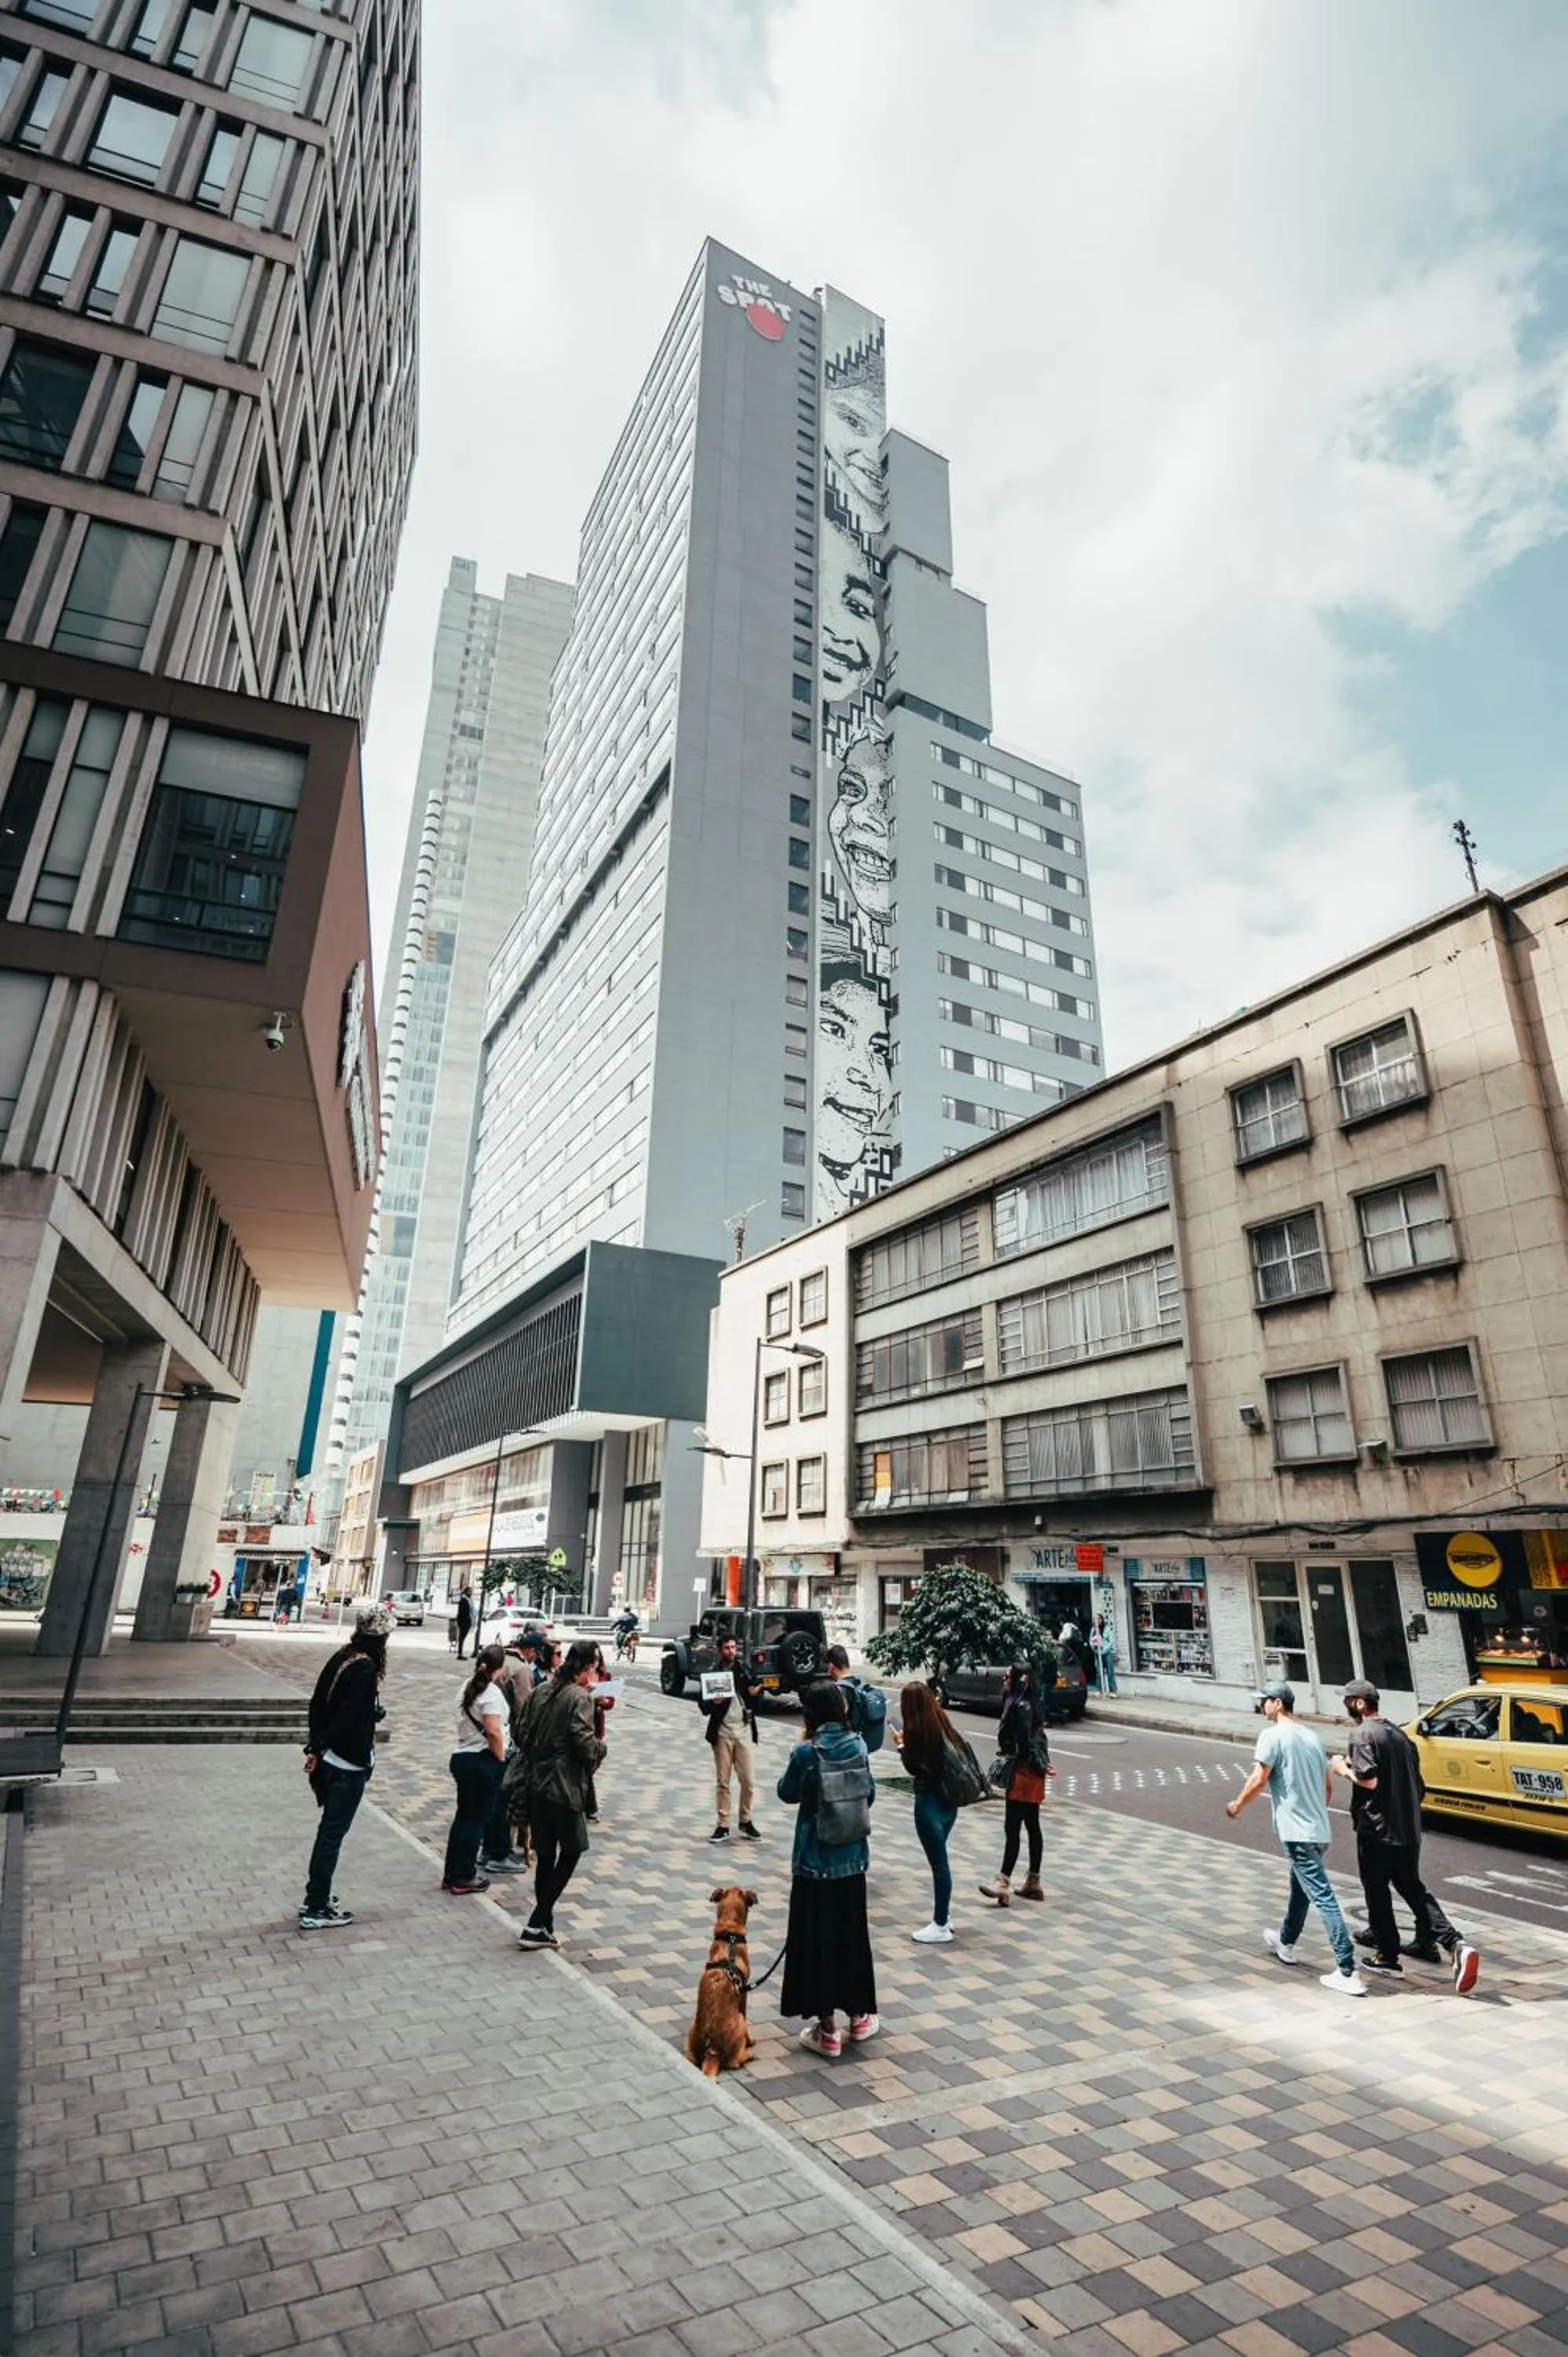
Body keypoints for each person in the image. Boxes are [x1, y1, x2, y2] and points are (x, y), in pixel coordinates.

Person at [1331, 1679, 1479, 1993]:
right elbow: (1419, 1785)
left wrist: (1341, 1768)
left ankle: (1387, 1955)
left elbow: (1367, 1781)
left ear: (1359, 1703)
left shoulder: (1362, 1734)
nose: (1345, 1705)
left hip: (1377, 1827)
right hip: (1408, 1827)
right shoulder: (1400, 1734)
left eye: (1348, 1700)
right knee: (1411, 1887)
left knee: (1376, 1889)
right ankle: (1454, 1943)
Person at [1226, 1682, 1365, 1996]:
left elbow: (1259, 1778)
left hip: (1297, 1831)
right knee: (1300, 1888)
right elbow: (1326, 1787)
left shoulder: (1272, 1736)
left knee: (1322, 1896)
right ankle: (1285, 1941)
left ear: (1278, 1703)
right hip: (1319, 1829)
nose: (1262, 1706)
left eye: (1265, 1702)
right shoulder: (1312, 1737)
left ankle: (1348, 1970)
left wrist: (1237, 1804)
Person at [779, 1681, 878, 2055]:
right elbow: (870, 1794)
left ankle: (827, 2030)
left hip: (815, 1864)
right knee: (851, 1939)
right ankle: (859, 2017)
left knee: (817, 1943)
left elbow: (787, 1792)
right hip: (853, 1861)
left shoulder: (807, 1752)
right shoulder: (859, 1746)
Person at [299, 1600, 390, 1930]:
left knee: (328, 1831)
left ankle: (317, 1895)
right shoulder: (365, 1668)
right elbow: (348, 1719)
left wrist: (316, 1745)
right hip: (346, 1764)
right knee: (332, 1834)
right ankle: (316, 1906)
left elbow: (320, 1702)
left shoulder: (344, 1655)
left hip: (329, 1758)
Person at [514, 1640, 606, 1950]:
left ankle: (544, 1926)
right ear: (588, 1668)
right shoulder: (579, 1697)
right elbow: (585, 1743)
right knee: (572, 1850)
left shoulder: (541, 1691)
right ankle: (537, 1921)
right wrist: (601, 1748)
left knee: (546, 1854)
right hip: (563, 1786)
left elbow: (520, 1732)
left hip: (535, 1783)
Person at [892, 1681, 962, 1944]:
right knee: (941, 1862)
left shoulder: (917, 1730)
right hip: (948, 1804)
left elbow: (915, 1768)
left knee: (939, 1866)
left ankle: (941, 1924)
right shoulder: (940, 1721)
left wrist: (901, 1746)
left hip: (929, 1805)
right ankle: (944, 1914)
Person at [979, 1664, 1050, 1906]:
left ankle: (1003, 1882)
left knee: (1013, 1828)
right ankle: (1033, 1881)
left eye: (1007, 1676)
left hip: (1023, 1773)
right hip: (1033, 1774)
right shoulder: (1031, 1703)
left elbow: (1026, 1744)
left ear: (1019, 1680)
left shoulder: (1019, 1707)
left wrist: (1031, 1762)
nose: (1004, 1680)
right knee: (1032, 1826)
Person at [441, 1644, 507, 1895]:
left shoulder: (466, 1686)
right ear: (499, 1669)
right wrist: (500, 1757)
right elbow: (493, 1730)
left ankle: (452, 1872)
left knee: (463, 1818)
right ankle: (464, 1875)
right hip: (482, 1760)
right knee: (476, 1821)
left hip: (462, 1757)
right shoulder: (490, 1693)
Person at [701, 1631, 763, 1842]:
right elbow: (703, 1706)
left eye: (734, 1647)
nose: (732, 1651)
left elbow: (757, 1698)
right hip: (722, 1733)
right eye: (727, 1648)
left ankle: (745, 1820)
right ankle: (723, 1824)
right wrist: (713, 1703)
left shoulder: (743, 1668)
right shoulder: (713, 1672)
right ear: (720, 1650)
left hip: (743, 1730)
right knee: (723, 1782)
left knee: (748, 1780)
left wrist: (755, 1694)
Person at [824, 1644, 886, 1750]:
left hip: (846, 1750)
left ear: (831, 1666)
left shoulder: (838, 1690)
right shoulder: (860, 1684)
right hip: (861, 1746)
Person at [1090, 1613, 1117, 1695]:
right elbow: (1091, 1641)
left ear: (1102, 1620)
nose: (1097, 1621)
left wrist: (1105, 1650)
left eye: (1099, 1619)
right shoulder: (1093, 1630)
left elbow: (1111, 1641)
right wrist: (1094, 1649)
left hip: (1107, 1653)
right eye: (1096, 1619)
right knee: (1099, 1672)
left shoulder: (1107, 1629)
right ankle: (1099, 1690)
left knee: (1110, 1672)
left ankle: (1113, 1691)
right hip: (1098, 1654)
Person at [452, 1585, 474, 1660]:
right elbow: (461, 1613)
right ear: (466, 1592)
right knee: (462, 1638)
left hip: (468, 1621)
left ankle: (460, 1653)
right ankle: (460, 1654)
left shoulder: (469, 1600)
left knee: (462, 1638)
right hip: (464, 1622)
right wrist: (461, 1622)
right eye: (469, 1591)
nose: (471, 1593)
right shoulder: (464, 1600)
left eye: (471, 1591)